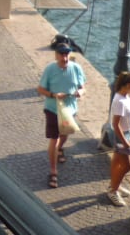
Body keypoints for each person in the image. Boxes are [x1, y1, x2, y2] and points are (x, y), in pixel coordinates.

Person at [37, 41, 86, 189]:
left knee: (65, 135)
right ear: (56, 55)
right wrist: (53, 95)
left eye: (67, 54)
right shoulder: (50, 69)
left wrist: (80, 93)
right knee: (55, 139)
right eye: (62, 54)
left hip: (70, 110)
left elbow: (83, 87)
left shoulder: (76, 68)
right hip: (53, 109)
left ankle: (60, 150)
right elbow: (40, 89)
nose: (64, 58)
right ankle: (53, 172)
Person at [107, 71, 130, 206]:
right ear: (128, 85)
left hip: (127, 133)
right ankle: (113, 191)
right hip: (122, 136)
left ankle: (114, 185)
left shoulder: (125, 96)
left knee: (117, 161)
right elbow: (116, 124)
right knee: (128, 166)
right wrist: (125, 141)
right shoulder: (119, 101)